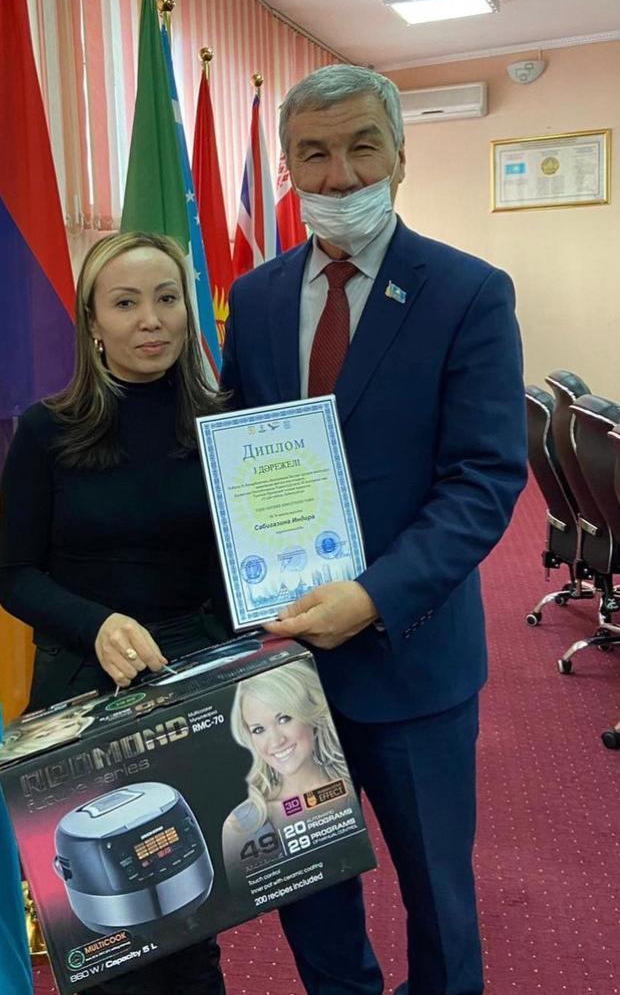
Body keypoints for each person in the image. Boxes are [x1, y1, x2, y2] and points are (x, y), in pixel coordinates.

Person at [221, 64, 527, 995]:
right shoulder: (256, 297)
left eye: (363, 146)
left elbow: (485, 477)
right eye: (314, 153)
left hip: (412, 658)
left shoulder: (468, 292)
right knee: (310, 888)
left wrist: (373, 596)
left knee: (438, 893)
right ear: (287, 166)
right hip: (285, 676)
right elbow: (235, 453)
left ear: (400, 153)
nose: (341, 174)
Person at [0, 231, 229, 995]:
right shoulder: (45, 430)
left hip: (192, 683)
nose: (150, 319)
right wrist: (96, 622)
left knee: (192, 919)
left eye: (167, 298)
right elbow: (16, 578)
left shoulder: (227, 422)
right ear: (93, 323)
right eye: (125, 303)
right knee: (106, 945)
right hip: (82, 686)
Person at [222, 661, 351, 869]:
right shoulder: (240, 824)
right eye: (258, 729)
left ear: (310, 714)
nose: (275, 741)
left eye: (284, 719)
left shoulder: (351, 785)